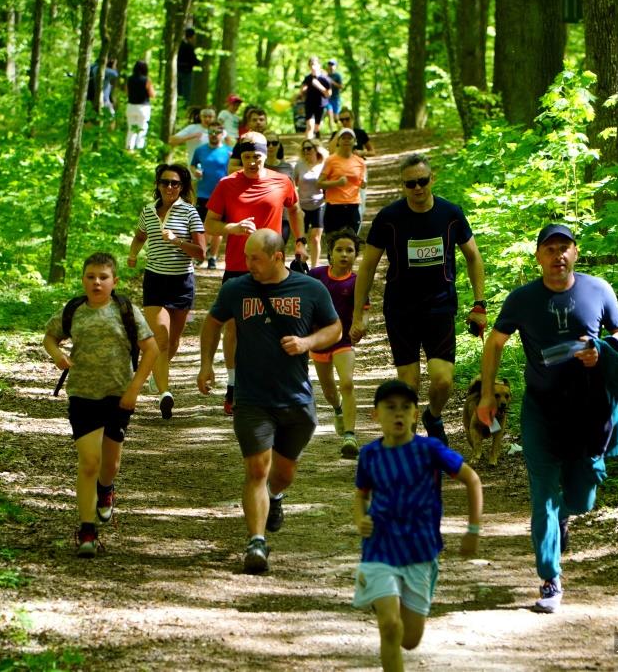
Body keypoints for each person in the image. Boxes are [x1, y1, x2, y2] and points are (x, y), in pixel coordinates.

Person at [477, 223, 618, 614]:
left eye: (564, 247)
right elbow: (495, 342)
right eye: (549, 249)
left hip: (590, 411)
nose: (557, 255)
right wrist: (486, 394)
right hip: (542, 411)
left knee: (582, 497)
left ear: (575, 253)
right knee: (543, 494)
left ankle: (565, 515)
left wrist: (603, 347)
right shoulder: (522, 299)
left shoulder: (598, 290)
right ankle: (550, 579)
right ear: (538, 257)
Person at [197, 229, 341, 573]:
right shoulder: (236, 289)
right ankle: (256, 542)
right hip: (252, 398)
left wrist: (307, 343)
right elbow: (212, 323)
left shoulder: (310, 289)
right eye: (246, 257)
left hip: (295, 398)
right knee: (257, 470)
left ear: (277, 257)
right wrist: (206, 364)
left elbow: (334, 328)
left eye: (255, 258)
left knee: (283, 474)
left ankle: (275, 497)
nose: (248, 264)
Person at [350, 153, 486, 445]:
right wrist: (358, 313)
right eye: (410, 184)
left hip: (440, 306)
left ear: (431, 179)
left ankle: (433, 416)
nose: (417, 188)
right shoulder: (389, 218)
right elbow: (368, 267)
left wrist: (479, 304)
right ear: (402, 185)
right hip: (401, 309)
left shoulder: (450, 214)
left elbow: (473, 257)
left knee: (443, 380)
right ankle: (409, 448)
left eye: (422, 181)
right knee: (409, 384)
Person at [353, 379, 483, 672]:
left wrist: (473, 530)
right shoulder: (370, 454)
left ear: (414, 414)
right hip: (379, 549)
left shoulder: (430, 450)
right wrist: (360, 518)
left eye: (405, 407)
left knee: (409, 640)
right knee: (390, 627)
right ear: (375, 414)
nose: (398, 413)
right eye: (390, 407)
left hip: (421, 552)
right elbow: (360, 495)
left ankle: (389, 596)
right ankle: (382, 594)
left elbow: (472, 480)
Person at [43, 252, 159, 557]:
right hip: (82, 395)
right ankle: (87, 530)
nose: (97, 282)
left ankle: (106, 489)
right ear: (83, 280)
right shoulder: (73, 310)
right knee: (89, 463)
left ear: (114, 281)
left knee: (110, 465)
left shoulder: (126, 311)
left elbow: (151, 349)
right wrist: (57, 355)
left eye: (103, 277)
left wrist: (134, 389)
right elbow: (50, 338)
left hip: (118, 396)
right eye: (91, 277)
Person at [203, 132, 306, 415]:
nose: (251, 162)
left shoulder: (282, 181)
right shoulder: (227, 184)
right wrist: (232, 228)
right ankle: (234, 386)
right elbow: (209, 224)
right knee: (234, 327)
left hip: (274, 267)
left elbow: (295, 210)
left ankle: (276, 385)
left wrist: (300, 241)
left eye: (256, 157)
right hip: (238, 265)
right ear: (240, 157)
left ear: (266, 154)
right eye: (246, 157)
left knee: (276, 325)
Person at [126, 164, 206, 419]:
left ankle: (156, 374)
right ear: (158, 185)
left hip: (181, 282)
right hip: (155, 280)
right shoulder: (148, 211)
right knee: (160, 336)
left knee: (173, 342)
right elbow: (140, 236)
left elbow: (201, 253)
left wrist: (177, 241)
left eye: (175, 183)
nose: (169, 187)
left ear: (182, 187)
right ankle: (165, 393)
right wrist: (132, 254)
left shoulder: (190, 212)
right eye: (164, 182)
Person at [309, 228, 366, 458]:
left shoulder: (357, 282)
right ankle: (337, 409)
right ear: (330, 253)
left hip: (343, 341)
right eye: (339, 250)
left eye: (349, 250)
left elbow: (363, 311)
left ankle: (350, 436)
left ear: (356, 255)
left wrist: (361, 325)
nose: (344, 254)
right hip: (319, 341)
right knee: (329, 391)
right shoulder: (316, 275)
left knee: (347, 383)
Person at [190, 122, 232, 270]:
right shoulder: (200, 150)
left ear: (222, 134)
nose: (214, 135)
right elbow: (193, 165)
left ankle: (213, 257)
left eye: (217, 132)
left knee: (218, 229)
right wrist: (195, 171)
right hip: (203, 194)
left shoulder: (229, 151)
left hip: (222, 195)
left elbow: (236, 170)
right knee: (202, 227)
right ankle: (201, 254)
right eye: (211, 132)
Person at [317, 128, 367, 235]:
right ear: (338, 141)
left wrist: (363, 184)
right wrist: (337, 183)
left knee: (352, 242)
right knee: (333, 242)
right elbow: (319, 183)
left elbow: (361, 183)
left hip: (353, 206)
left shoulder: (360, 162)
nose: (346, 140)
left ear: (355, 141)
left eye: (349, 138)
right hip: (334, 207)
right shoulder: (331, 160)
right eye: (343, 138)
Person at [293, 138, 328, 268]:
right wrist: (295, 201)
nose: (306, 151)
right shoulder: (299, 165)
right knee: (301, 239)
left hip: (319, 204)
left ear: (316, 149)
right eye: (304, 149)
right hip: (302, 206)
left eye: (309, 148)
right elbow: (293, 184)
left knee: (315, 237)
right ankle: (301, 265)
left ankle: (314, 267)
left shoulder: (323, 164)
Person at [263, 130, 296, 247]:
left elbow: (293, 194)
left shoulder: (287, 168)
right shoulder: (257, 167)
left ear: (279, 145)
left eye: (274, 143)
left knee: (278, 249)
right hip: (262, 217)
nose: (271, 146)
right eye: (267, 143)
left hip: (283, 218)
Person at [125, 60, 155, 151]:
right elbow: (152, 94)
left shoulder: (129, 79)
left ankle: (129, 148)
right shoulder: (147, 80)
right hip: (143, 107)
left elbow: (127, 92)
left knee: (131, 129)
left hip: (131, 106)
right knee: (142, 129)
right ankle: (139, 149)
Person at [300, 56, 332, 140]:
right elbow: (302, 90)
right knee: (310, 125)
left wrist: (319, 86)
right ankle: (308, 144)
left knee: (317, 127)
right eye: (311, 65)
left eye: (314, 64)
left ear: (319, 65)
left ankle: (316, 138)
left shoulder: (325, 79)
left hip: (321, 106)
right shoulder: (307, 78)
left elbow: (329, 94)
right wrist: (303, 90)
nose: (313, 67)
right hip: (309, 104)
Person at [177, 27, 199, 103]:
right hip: (186, 73)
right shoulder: (189, 47)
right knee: (186, 95)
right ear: (192, 36)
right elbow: (194, 61)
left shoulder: (180, 45)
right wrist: (199, 62)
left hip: (178, 72)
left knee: (179, 93)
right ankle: (184, 108)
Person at [323, 59, 343, 132]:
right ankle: (331, 131)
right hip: (327, 99)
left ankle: (341, 130)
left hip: (336, 98)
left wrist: (333, 82)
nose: (330, 66)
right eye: (329, 64)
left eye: (332, 65)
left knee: (336, 118)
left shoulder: (337, 76)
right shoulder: (325, 75)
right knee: (329, 113)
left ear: (335, 66)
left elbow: (341, 86)